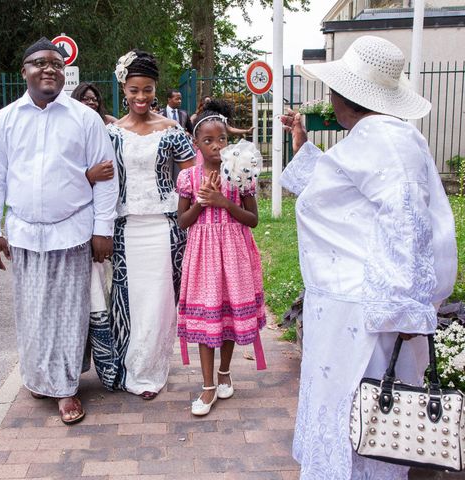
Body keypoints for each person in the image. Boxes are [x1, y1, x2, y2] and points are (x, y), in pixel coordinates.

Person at [279, 36, 457, 479]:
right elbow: (337, 191)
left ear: (347, 95)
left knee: (364, 416)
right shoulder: (374, 138)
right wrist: (302, 144)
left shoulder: (386, 141)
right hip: (348, 308)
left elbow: (407, 221)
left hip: (368, 314)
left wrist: (400, 309)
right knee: (349, 412)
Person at [0, 37, 118, 425]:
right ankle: (39, 377)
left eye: (56, 63)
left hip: (72, 230)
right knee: (33, 313)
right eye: (39, 62)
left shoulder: (84, 118)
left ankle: (66, 388)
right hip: (24, 233)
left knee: (70, 313)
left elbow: (107, 177)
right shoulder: (5, 119)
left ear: (64, 72)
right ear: (24, 71)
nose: (49, 69)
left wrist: (102, 229)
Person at [94, 50, 195, 399]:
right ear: (124, 87)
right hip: (125, 228)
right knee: (127, 300)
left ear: (156, 90)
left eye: (148, 89)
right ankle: (129, 368)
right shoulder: (111, 133)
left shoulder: (172, 131)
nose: (141, 97)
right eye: (134, 89)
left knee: (160, 299)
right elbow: (100, 181)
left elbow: (191, 178)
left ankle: (151, 372)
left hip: (165, 228)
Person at [177, 100, 266, 416]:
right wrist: (203, 201)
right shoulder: (189, 178)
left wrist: (223, 202)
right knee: (206, 318)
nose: (217, 146)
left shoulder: (240, 171)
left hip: (234, 252)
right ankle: (208, 385)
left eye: (222, 139)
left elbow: (253, 219)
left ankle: (225, 371)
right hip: (203, 255)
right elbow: (183, 221)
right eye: (208, 141)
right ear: (196, 144)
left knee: (227, 317)